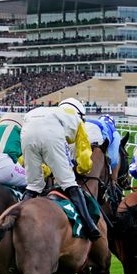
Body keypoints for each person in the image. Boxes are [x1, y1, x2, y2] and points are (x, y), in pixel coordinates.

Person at [21, 97, 100, 240]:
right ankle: (90, 225)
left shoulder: (50, 112)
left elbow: (29, 158)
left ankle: (17, 216)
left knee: (33, 185)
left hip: (27, 131)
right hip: (50, 136)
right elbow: (84, 156)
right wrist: (82, 169)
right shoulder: (75, 119)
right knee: (68, 183)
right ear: (80, 114)